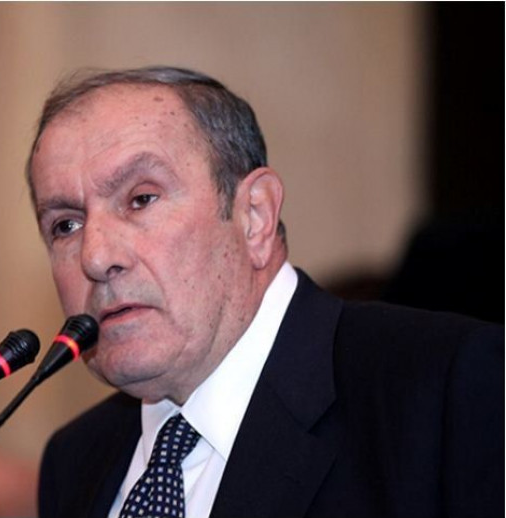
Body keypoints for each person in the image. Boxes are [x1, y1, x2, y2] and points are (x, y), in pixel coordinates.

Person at [25, 66, 503, 518]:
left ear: (254, 216)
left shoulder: (449, 387)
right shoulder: (75, 460)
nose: (95, 256)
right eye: (65, 225)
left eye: (141, 199)